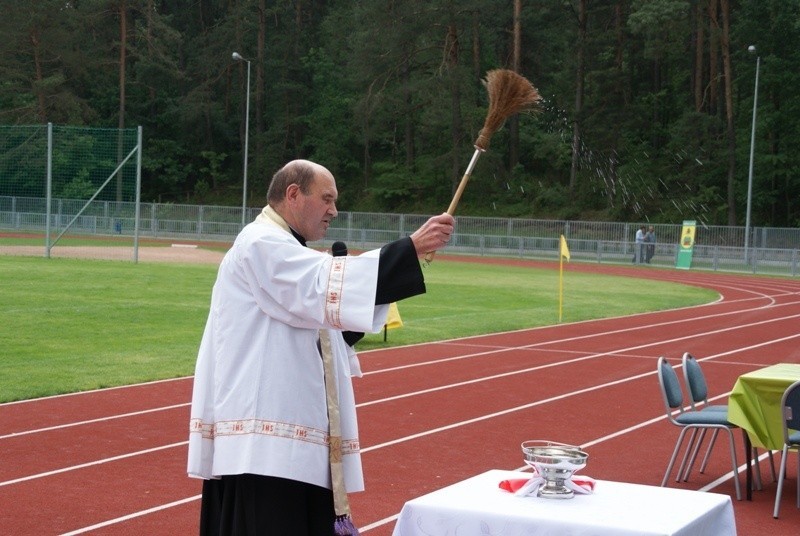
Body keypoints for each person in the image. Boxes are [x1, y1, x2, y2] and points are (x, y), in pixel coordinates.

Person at [187, 159, 455, 536]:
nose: (334, 210)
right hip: (264, 448)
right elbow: (319, 286)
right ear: (293, 194)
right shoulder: (261, 242)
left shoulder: (284, 248)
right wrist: (410, 249)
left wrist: (394, 272)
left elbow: (324, 325)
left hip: (284, 443)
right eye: (326, 199)